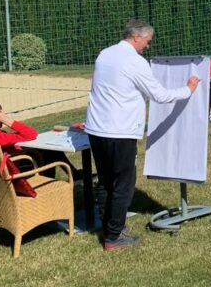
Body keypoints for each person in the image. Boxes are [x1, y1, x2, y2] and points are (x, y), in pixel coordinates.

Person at [85, 20, 199, 252]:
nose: (148, 46)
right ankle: (114, 237)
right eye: (147, 41)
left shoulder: (105, 54)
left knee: (105, 181)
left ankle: (108, 227)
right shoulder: (135, 61)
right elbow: (159, 95)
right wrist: (187, 89)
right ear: (137, 37)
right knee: (123, 185)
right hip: (119, 132)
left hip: (96, 129)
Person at [0, 102, 82, 177]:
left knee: (48, 150)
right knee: (50, 151)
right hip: (17, 168)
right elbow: (31, 134)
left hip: (8, 164)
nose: (2, 118)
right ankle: (55, 181)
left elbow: (14, 138)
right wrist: (8, 121)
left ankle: (74, 174)